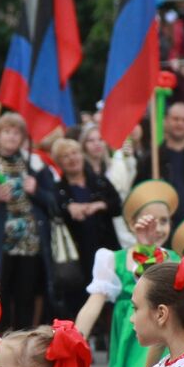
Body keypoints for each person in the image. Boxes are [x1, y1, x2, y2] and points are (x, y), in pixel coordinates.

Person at [73, 182, 179, 367]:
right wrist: (73, 340)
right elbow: (94, 302)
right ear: (132, 225)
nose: (160, 228)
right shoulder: (113, 260)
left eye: (165, 221)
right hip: (130, 346)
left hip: (165, 346)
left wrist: (151, 249)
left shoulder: (176, 260)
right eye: (151, 221)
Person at [0, 113, 57, 329]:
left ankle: (22, 342)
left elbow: (53, 202)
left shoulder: (34, 163)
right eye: (6, 132)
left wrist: (36, 191)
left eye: (16, 133)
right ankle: (1, 342)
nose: (11, 137)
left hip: (30, 242)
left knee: (25, 295)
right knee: (1, 293)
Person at [52, 136, 121, 319]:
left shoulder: (98, 181)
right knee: (82, 295)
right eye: (65, 156)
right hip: (79, 253)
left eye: (74, 153)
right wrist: (68, 208)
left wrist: (100, 205)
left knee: (111, 292)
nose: (72, 158)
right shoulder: (59, 189)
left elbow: (117, 205)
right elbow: (53, 211)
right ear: (60, 163)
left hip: (106, 246)